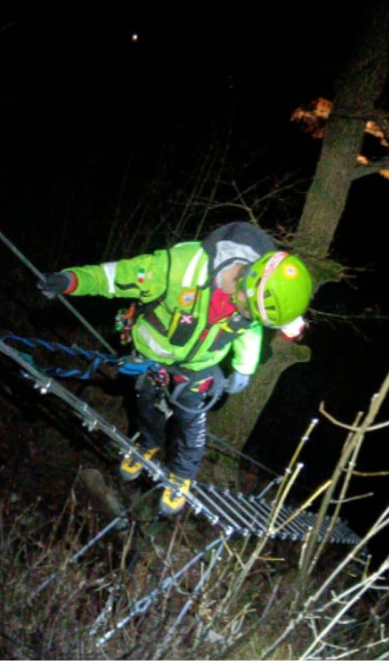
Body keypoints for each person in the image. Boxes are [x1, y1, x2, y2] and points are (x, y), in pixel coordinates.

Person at [38, 221, 313, 516]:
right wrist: (73, 280)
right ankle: (147, 445)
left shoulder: (255, 305)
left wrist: (243, 368)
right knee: (146, 403)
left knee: (191, 420)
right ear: (249, 280)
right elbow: (119, 276)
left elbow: (249, 333)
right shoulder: (180, 267)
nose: (245, 316)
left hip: (198, 366)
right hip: (153, 354)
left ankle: (182, 475)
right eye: (249, 309)